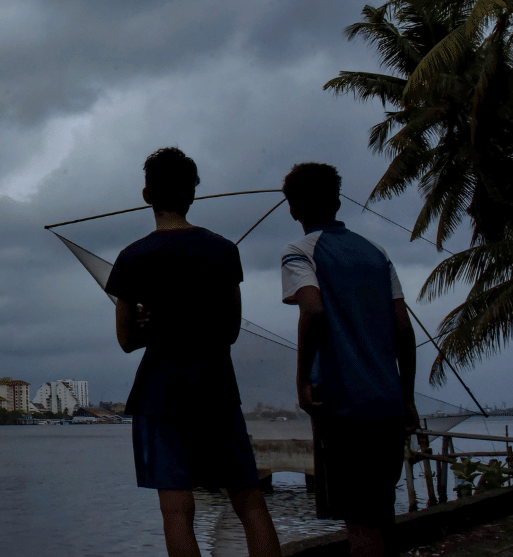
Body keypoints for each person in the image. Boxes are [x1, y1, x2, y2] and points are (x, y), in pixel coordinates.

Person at [105, 147, 281, 557]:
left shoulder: (132, 257)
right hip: (216, 387)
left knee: (176, 511)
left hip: (161, 393)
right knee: (249, 500)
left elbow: (127, 340)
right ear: (192, 195)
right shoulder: (222, 250)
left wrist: (151, 327)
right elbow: (231, 330)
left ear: (147, 194)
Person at [280, 163, 418, 557]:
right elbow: (403, 329)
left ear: (292, 209)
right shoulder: (377, 253)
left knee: (359, 522)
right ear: (338, 201)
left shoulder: (299, 253)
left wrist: (302, 380)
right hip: (387, 402)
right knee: (381, 511)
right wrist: (406, 396)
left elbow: (314, 311)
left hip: (342, 403)